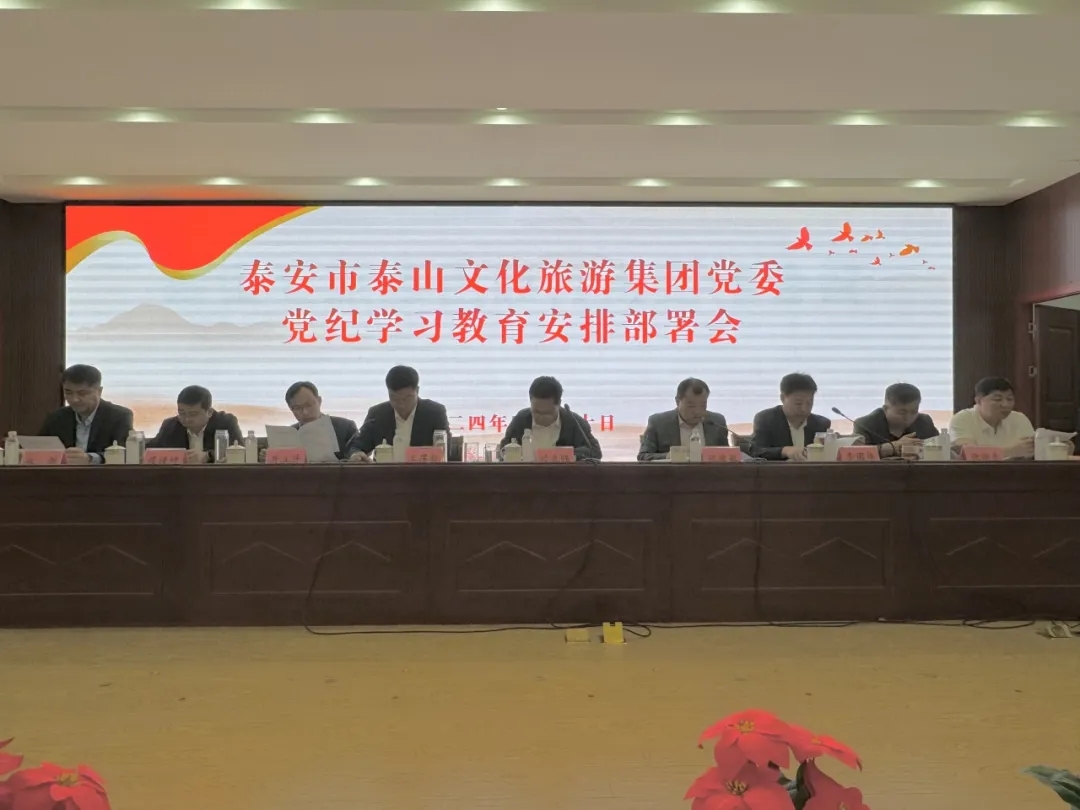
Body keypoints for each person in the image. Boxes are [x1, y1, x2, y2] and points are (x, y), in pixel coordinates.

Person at [346, 365, 449, 461]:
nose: (401, 405)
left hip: (423, 473)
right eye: (394, 398)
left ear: (417, 391)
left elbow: (447, 449)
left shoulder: (434, 413)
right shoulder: (377, 414)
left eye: (407, 398)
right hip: (385, 473)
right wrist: (356, 453)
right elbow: (357, 445)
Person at [38, 364, 133, 465]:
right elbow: (39, 449)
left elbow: (125, 453)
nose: (74, 399)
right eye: (68, 393)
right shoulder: (56, 418)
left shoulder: (119, 416)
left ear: (99, 391)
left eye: (82, 393)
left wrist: (90, 458)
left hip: (103, 474)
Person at [499, 376, 602, 461]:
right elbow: (503, 450)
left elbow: (595, 452)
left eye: (547, 413)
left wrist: (562, 454)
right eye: (536, 412)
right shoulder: (521, 420)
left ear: (559, 404)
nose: (541, 417)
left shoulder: (574, 422)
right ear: (530, 401)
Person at [637, 377, 729, 461]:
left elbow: (728, 457)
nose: (697, 411)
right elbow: (643, 456)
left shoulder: (717, 422)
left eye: (703, 405)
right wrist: (669, 456)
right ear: (678, 401)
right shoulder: (658, 423)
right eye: (691, 406)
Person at [147, 385, 243, 463]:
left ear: (209, 412)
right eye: (182, 413)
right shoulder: (170, 426)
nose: (187, 419)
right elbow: (149, 450)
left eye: (193, 414)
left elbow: (240, 451)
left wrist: (208, 456)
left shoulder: (225, 422)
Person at [949, 377, 1038, 459]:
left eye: (1009, 399)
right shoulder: (962, 419)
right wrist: (1011, 451)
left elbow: (1030, 451)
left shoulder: (1019, 419)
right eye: (997, 399)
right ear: (978, 401)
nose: (1005, 404)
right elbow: (968, 454)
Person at [750, 372, 831, 461]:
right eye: (798, 403)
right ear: (783, 398)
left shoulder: (821, 424)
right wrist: (784, 450)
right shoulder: (766, 419)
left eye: (809, 402)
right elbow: (756, 451)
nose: (804, 408)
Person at [853, 382, 940, 458]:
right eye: (902, 412)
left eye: (914, 411)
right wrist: (892, 447)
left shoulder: (925, 422)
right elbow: (857, 455)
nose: (908, 417)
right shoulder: (864, 425)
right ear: (885, 409)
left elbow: (940, 448)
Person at [285, 381, 358, 459]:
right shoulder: (289, 434)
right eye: (297, 408)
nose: (305, 412)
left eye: (309, 405)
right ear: (291, 409)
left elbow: (358, 454)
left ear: (319, 401)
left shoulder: (345, 427)